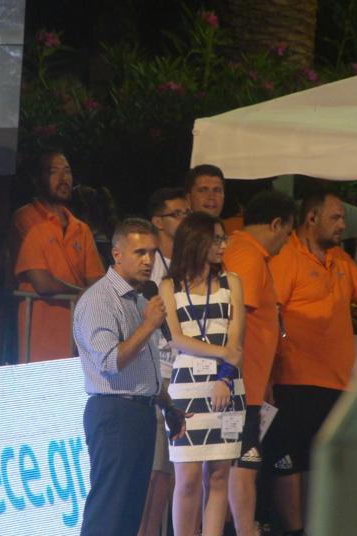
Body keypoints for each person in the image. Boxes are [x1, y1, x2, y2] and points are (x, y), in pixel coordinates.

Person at [265, 191, 357, 535]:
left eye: (343, 219)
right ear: (312, 218)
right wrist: (273, 362)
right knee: (289, 462)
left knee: (321, 465)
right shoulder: (287, 255)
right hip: (294, 379)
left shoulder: (339, 258)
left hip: (337, 382)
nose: (342, 225)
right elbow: (271, 312)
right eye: (335, 218)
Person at [74, 218, 186, 536]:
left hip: (140, 412)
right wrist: (149, 325)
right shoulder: (100, 300)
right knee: (108, 513)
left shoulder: (139, 298)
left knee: (128, 515)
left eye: (152, 252)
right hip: (115, 413)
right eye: (139, 252)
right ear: (117, 254)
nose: (148, 261)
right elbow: (110, 361)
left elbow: (143, 367)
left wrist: (167, 405)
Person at [159, 212, 246, 536]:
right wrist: (222, 353)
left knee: (219, 475)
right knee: (187, 478)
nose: (223, 245)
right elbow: (176, 338)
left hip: (227, 384)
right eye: (216, 239)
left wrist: (224, 376)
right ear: (196, 241)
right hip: (186, 389)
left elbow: (236, 339)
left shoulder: (231, 282)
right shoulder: (169, 286)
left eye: (223, 239)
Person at [222, 190, 296, 536]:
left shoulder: (247, 253)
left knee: (240, 466)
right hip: (240, 386)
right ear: (276, 224)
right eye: (287, 233)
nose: (287, 242)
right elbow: (235, 317)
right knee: (242, 467)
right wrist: (230, 375)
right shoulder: (248, 256)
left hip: (248, 384)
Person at [13, 152, 105, 361]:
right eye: (54, 172)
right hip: (40, 329)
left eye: (67, 171)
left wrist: (87, 294)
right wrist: (82, 293)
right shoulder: (28, 221)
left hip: (77, 332)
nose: (64, 178)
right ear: (38, 179)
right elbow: (42, 282)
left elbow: (96, 281)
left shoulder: (81, 229)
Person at [138, 187, 191, 536]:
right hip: (158, 377)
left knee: (174, 473)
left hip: (185, 374)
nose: (185, 219)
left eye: (187, 213)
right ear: (158, 221)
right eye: (177, 214)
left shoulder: (190, 264)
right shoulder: (149, 267)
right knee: (155, 474)